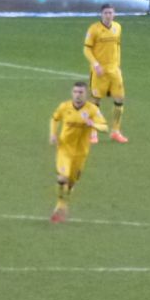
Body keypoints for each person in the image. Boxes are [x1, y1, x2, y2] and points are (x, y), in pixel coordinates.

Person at [49, 81, 108, 223]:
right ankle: (59, 206)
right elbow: (54, 118)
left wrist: (92, 124)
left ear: (86, 94)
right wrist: (52, 134)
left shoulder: (92, 109)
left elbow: (105, 127)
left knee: (70, 183)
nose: (77, 95)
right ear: (72, 93)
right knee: (62, 178)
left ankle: (64, 205)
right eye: (75, 92)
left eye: (81, 92)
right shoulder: (65, 107)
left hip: (81, 153)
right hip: (64, 149)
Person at [83, 3, 128, 144]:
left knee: (119, 99)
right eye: (106, 13)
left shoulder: (117, 27)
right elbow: (87, 49)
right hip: (99, 71)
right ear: (101, 14)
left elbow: (117, 47)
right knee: (95, 101)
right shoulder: (94, 29)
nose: (108, 15)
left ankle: (116, 132)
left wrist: (118, 65)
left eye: (110, 13)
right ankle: (93, 133)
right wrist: (95, 64)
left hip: (114, 71)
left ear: (114, 14)